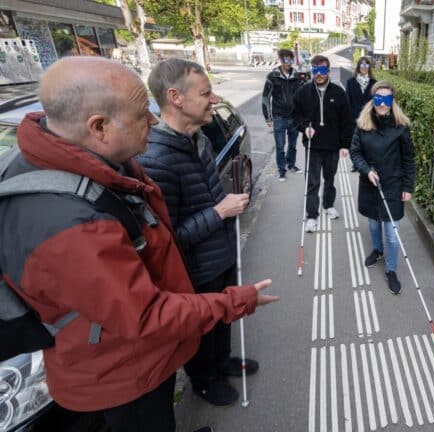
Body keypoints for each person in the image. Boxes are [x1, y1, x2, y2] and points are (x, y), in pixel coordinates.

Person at [0, 56, 278, 432]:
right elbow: (144, 315)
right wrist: (236, 300)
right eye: (140, 114)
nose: (152, 121)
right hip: (119, 372)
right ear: (98, 127)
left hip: (137, 356)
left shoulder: (93, 163)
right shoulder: (70, 223)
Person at [139, 58, 260, 407]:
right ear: (175, 97)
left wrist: (227, 205)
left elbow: (210, 195)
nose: (214, 98)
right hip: (194, 271)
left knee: (224, 317)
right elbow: (167, 238)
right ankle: (204, 381)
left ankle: (223, 363)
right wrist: (219, 212)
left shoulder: (199, 139)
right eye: (205, 93)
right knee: (202, 329)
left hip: (220, 255)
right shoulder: (156, 160)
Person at [349, 81, 415, 295]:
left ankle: (391, 269)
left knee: (392, 235)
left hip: (393, 187)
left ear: (392, 101)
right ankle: (377, 250)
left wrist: (407, 186)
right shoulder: (363, 124)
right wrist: (367, 170)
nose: (382, 103)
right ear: (373, 100)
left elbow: (408, 159)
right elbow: (355, 152)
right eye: (378, 98)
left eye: (387, 99)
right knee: (374, 225)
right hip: (370, 185)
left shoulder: (400, 127)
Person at [292, 55, 354, 232]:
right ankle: (312, 215)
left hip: (333, 146)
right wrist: (304, 127)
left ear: (328, 71)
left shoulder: (338, 92)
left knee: (330, 179)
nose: (319, 74)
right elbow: (295, 115)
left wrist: (344, 145)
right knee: (312, 181)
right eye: (315, 70)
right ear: (312, 71)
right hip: (313, 145)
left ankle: (328, 205)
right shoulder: (303, 92)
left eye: (322, 70)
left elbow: (346, 121)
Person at [262, 48, 307, 182]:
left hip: (294, 118)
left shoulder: (298, 77)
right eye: (284, 59)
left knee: (293, 145)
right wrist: (268, 118)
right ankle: (282, 170)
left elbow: (303, 97)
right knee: (280, 146)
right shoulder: (272, 76)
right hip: (279, 117)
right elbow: (265, 98)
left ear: (292, 60)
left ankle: (291, 164)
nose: (287, 62)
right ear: (280, 60)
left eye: (289, 59)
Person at [345, 56, 377, 173]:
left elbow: (375, 102)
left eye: (366, 65)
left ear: (369, 67)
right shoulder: (350, 82)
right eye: (362, 65)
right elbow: (348, 101)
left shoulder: (374, 83)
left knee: (367, 142)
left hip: (369, 117)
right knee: (354, 142)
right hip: (354, 118)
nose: (364, 67)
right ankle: (355, 163)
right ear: (358, 67)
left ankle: (366, 163)